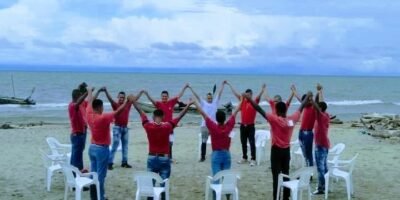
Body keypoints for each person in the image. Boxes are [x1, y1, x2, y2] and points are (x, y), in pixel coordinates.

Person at [245, 92, 311, 200]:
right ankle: (286, 196)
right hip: (286, 151)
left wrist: (250, 99)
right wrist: (308, 96)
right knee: (286, 173)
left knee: (276, 176)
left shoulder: (275, 119)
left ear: (278, 111)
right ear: (285, 110)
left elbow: (259, 109)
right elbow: (301, 106)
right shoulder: (292, 119)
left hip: (276, 151)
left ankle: (276, 197)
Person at [132, 98, 193, 200]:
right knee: (164, 185)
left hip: (151, 157)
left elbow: (141, 112)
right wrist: (188, 105)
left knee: (150, 185)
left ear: (153, 117)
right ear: (163, 117)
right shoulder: (167, 126)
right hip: (164, 158)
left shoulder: (148, 126)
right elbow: (180, 116)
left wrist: (133, 102)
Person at [86, 87, 134, 200]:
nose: (103, 108)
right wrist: (127, 102)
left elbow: (89, 101)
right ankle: (101, 197)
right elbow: (118, 112)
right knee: (101, 176)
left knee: (93, 174)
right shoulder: (103, 117)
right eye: (102, 107)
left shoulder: (88, 112)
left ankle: (94, 197)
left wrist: (90, 91)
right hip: (101, 149)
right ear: (99, 107)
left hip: (92, 148)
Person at [141, 84, 190, 162]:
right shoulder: (159, 104)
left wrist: (185, 87)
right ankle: (166, 157)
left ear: (168, 97)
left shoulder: (171, 102)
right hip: (161, 128)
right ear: (161, 97)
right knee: (163, 144)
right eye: (163, 96)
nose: (164, 97)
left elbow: (179, 95)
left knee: (170, 144)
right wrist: (146, 93)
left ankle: (169, 158)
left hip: (170, 127)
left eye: (165, 96)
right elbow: (151, 100)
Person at [193, 96, 242, 175]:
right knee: (225, 177)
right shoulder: (228, 126)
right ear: (225, 118)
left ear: (216, 118)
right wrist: (242, 100)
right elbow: (235, 112)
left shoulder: (213, 127)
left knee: (216, 178)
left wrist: (195, 103)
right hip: (227, 154)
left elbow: (203, 113)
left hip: (216, 154)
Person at [226, 81, 266, 166]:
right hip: (242, 126)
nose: (247, 96)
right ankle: (244, 157)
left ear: (251, 95)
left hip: (251, 126)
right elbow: (235, 93)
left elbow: (259, 96)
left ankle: (253, 159)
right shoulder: (242, 101)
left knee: (252, 142)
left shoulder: (254, 101)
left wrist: (262, 90)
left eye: (249, 95)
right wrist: (229, 84)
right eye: (246, 95)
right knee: (243, 142)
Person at [104, 88, 144, 170]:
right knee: (115, 145)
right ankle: (109, 163)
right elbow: (110, 99)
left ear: (124, 98)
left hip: (125, 128)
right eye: (120, 97)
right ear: (118, 97)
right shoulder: (115, 105)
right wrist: (106, 91)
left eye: (123, 97)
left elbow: (134, 99)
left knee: (125, 146)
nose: (121, 99)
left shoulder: (128, 104)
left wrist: (141, 92)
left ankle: (124, 162)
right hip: (117, 127)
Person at [188, 81, 226, 162]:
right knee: (204, 141)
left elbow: (219, 94)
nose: (210, 99)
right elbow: (197, 96)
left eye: (211, 98)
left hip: (214, 126)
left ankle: (216, 155)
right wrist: (190, 88)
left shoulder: (215, 103)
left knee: (215, 141)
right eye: (208, 98)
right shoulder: (203, 103)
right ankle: (202, 157)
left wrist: (222, 85)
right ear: (206, 98)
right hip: (204, 126)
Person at [311, 84, 330, 195]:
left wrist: (311, 98)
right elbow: (321, 104)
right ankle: (325, 185)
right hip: (325, 145)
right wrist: (320, 92)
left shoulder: (321, 116)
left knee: (320, 168)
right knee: (325, 166)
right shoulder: (326, 114)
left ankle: (321, 188)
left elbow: (317, 106)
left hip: (320, 146)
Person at [68, 86, 88, 172]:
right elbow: (78, 102)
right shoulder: (73, 105)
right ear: (77, 97)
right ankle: (77, 174)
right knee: (77, 156)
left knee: (76, 155)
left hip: (79, 134)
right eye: (80, 97)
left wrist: (82, 90)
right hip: (77, 135)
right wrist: (87, 93)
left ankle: (76, 172)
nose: (82, 98)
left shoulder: (76, 105)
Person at [299, 90, 317, 169]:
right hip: (301, 132)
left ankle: (310, 172)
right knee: (304, 153)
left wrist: (318, 92)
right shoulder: (305, 107)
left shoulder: (313, 107)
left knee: (308, 153)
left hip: (308, 133)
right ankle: (308, 168)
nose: (304, 102)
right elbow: (300, 100)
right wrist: (294, 92)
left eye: (306, 100)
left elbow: (317, 101)